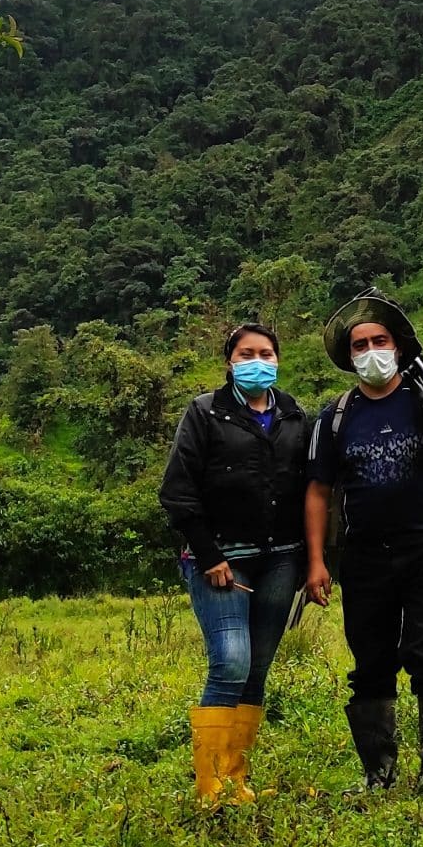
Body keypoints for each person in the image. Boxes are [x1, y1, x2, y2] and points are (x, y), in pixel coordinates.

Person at [303, 294, 423, 797]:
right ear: (350, 356)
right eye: (359, 345)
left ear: (398, 347)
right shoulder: (335, 417)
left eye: (379, 341)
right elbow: (318, 492)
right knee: (370, 661)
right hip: (363, 555)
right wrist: (317, 561)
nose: (370, 351)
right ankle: (377, 772)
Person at [158, 322, 316, 804]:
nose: (257, 360)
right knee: (230, 661)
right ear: (229, 361)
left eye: (266, 352)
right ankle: (210, 786)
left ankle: (236, 779)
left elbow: (313, 492)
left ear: (277, 359)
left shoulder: (294, 416)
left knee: (256, 670)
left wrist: (315, 562)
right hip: (223, 560)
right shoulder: (205, 413)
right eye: (246, 353)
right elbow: (178, 491)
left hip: (282, 559)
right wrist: (209, 555)